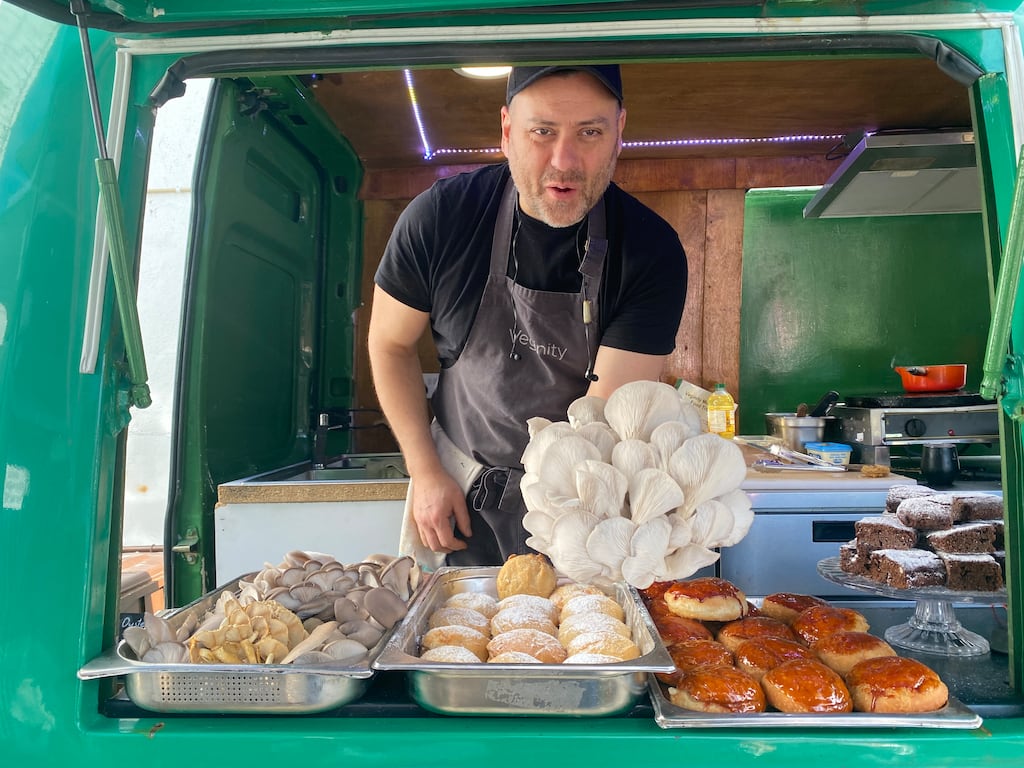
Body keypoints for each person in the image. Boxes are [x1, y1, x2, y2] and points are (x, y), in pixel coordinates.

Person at [368, 64, 688, 566]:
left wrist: (571, 526)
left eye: (590, 132)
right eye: (542, 131)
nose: (564, 161)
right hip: (454, 482)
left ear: (619, 131)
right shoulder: (441, 218)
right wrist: (425, 470)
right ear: (507, 130)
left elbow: (602, 418)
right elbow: (390, 344)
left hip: (579, 498)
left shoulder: (651, 251)